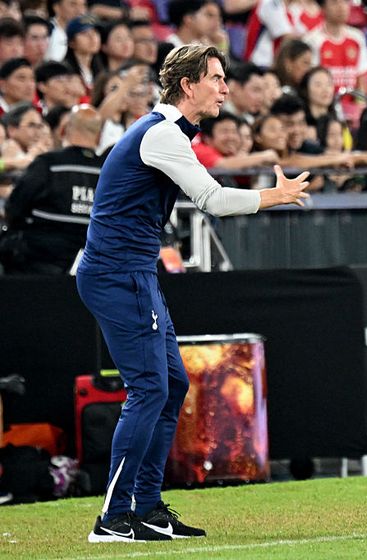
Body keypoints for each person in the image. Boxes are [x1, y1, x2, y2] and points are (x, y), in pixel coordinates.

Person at [77, 44, 310, 543]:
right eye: (217, 78)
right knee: (150, 389)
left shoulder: (164, 132)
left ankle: (148, 507)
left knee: (172, 385)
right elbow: (214, 201)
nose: (226, 87)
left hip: (132, 273)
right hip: (120, 274)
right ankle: (113, 518)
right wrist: (276, 195)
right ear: (188, 84)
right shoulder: (161, 134)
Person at [0, 105, 105, 274]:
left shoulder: (48, 164)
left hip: (37, 265)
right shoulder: (109, 172)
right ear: (99, 137)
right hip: (92, 268)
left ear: (63, 130)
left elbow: (14, 208)